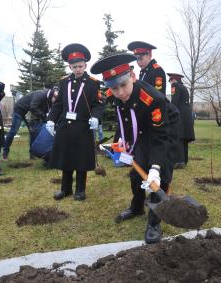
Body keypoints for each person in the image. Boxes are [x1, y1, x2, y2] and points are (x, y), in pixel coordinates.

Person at [91, 53, 176, 244]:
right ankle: (137, 207)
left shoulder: (153, 99)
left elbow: (159, 137)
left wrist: (155, 167)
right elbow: (127, 120)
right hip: (143, 132)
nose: (120, 92)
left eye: (123, 85)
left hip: (166, 130)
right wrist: (124, 142)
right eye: (114, 88)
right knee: (136, 175)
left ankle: (154, 222)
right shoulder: (117, 96)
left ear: (133, 77)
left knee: (159, 179)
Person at [46, 43, 102, 201]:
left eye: (80, 66)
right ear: (69, 66)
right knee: (66, 159)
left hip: (83, 127)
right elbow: (58, 105)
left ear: (85, 65)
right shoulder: (64, 82)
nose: (78, 69)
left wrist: (96, 117)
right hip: (65, 127)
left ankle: (80, 190)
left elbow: (98, 104)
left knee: (81, 160)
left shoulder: (92, 83)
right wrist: (51, 120)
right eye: (74, 66)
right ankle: (65, 189)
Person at [168, 73, 195, 168]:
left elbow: (174, 102)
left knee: (178, 136)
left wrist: (169, 112)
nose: (170, 83)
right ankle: (184, 160)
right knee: (183, 138)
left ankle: (179, 162)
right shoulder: (183, 87)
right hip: (186, 115)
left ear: (173, 80)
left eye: (170, 80)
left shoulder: (175, 86)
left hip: (179, 115)